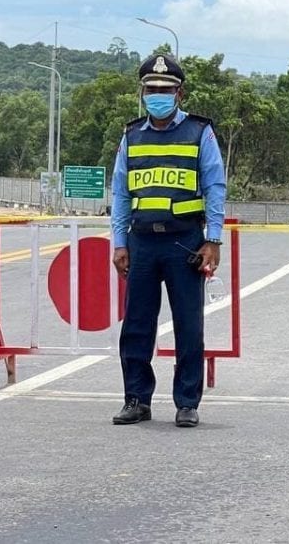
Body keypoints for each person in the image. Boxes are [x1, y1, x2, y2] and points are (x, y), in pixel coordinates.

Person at [110, 53, 226, 428]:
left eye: (165, 89)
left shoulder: (199, 132)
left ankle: (187, 402)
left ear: (179, 93)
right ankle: (136, 399)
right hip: (142, 242)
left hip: (185, 244)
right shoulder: (131, 136)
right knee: (137, 326)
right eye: (151, 89)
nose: (157, 94)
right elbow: (121, 195)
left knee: (188, 326)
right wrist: (119, 243)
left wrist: (213, 240)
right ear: (142, 92)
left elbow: (215, 187)